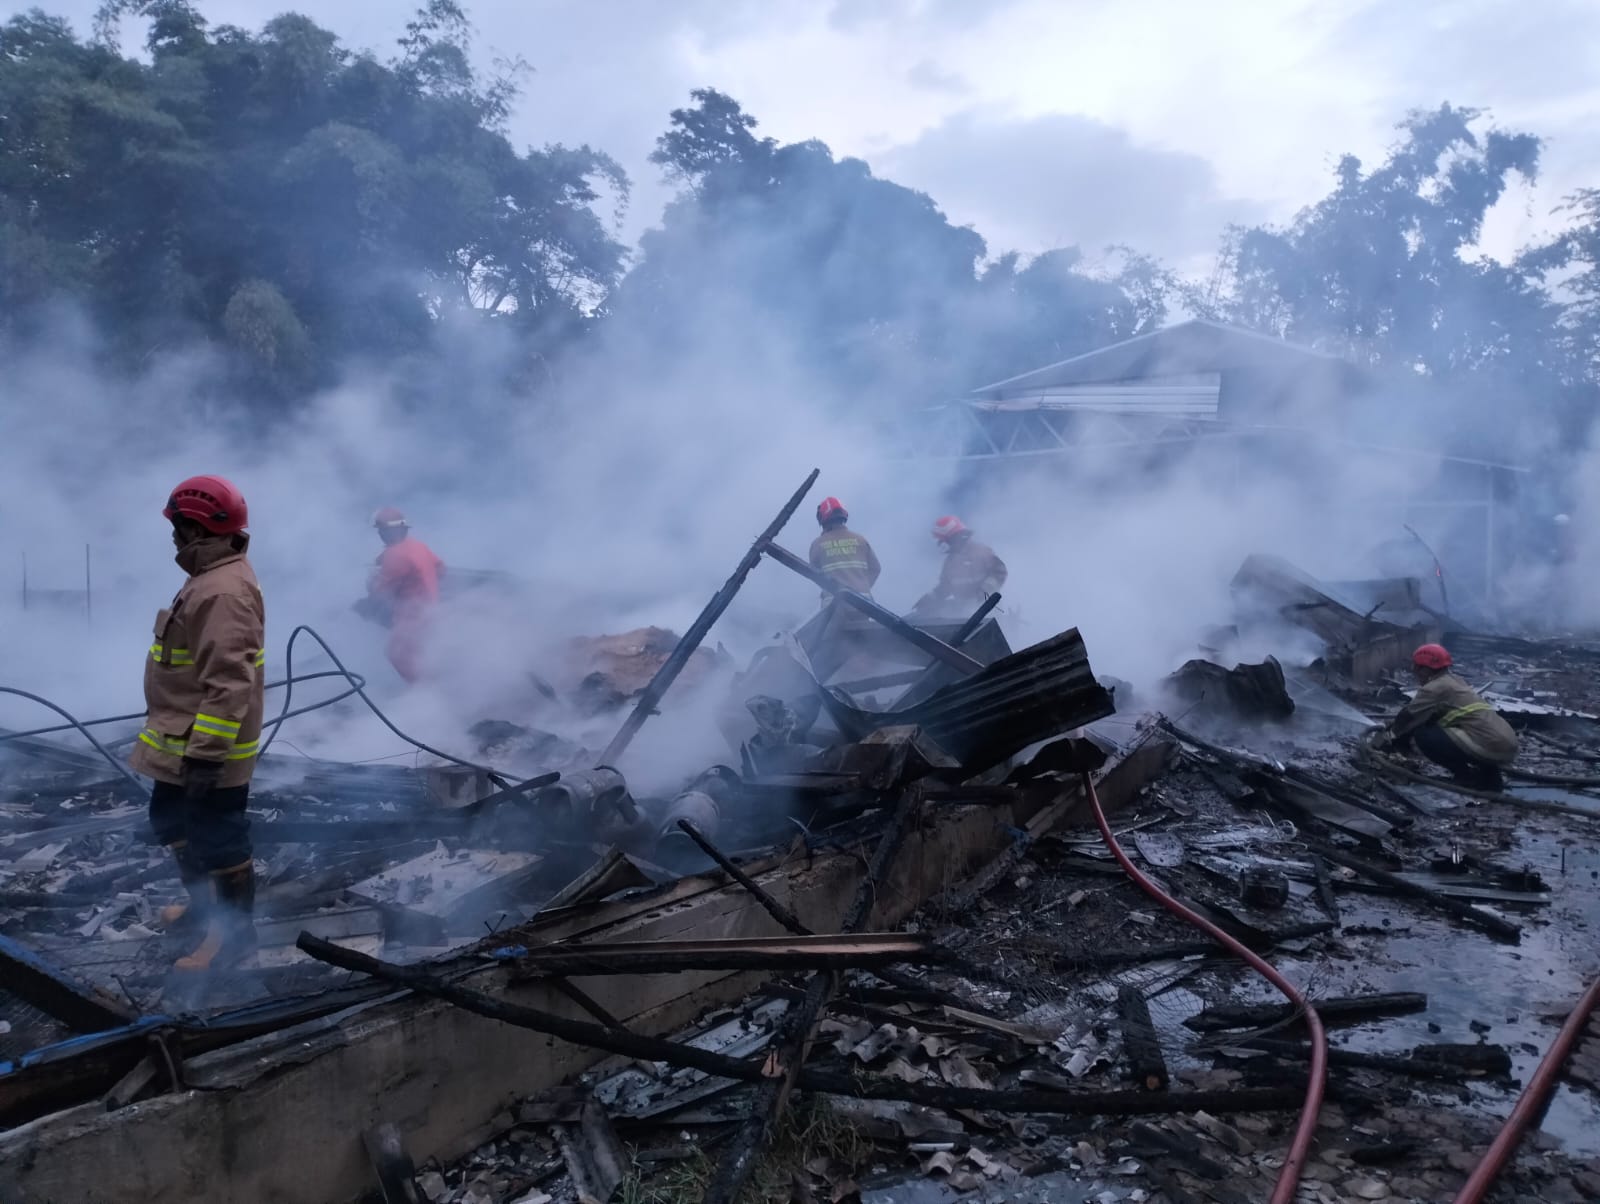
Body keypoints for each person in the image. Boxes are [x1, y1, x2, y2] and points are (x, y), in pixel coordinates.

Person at [136, 475, 265, 972]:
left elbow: (229, 683)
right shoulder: (208, 575)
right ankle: (205, 912)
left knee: (219, 840)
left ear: (196, 529)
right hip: (180, 738)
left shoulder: (223, 591)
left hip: (206, 747)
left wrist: (207, 757)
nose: (172, 535)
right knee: (172, 822)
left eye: (177, 526)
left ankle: (233, 939)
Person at [1380, 643, 1518, 790]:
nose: (1415, 673)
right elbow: (1435, 715)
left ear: (1425, 669)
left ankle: (1464, 776)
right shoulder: (1456, 680)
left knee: (1424, 735)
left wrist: (1390, 737)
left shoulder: (1434, 687)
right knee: (1471, 731)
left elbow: (1408, 715)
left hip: (1490, 747)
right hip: (1508, 746)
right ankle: (1491, 779)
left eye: (1417, 668)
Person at [361, 507, 444, 683]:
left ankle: (423, 688)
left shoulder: (394, 556)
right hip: (432, 608)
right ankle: (431, 681)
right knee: (421, 652)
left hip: (413, 616)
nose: (380, 534)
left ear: (389, 532)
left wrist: (372, 582)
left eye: (381, 530)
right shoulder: (418, 546)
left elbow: (380, 592)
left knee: (396, 654)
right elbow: (441, 569)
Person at [916, 515, 1007, 617]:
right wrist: (930, 598)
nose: (941, 544)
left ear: (954, 538)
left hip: (988, 611)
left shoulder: (981, 552)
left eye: (943, 540)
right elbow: (945, 586)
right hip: (964, 614)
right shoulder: (950, 561)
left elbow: (999, 571)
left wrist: (985, 591)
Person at [807, 497, 881, 606]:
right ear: (843, 517)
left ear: (822, 519)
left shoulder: (817, 544)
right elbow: (876, 568)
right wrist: (862, 587)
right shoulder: (860, 540)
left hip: (833, 603)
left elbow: (813, 573)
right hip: (864, 602)